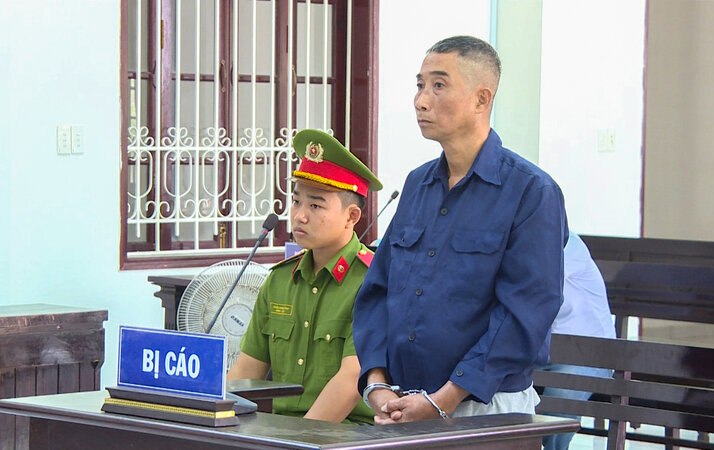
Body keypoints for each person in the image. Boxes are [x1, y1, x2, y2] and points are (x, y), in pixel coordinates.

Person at [352, 35, 568, 424]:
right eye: (419, 85)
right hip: (403, 406)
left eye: (439, 85)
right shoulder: (417, 185)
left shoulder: (531, 192)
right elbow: (377, 292)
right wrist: (377, 381)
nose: (421, 100)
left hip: (485, 410)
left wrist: (446, 398)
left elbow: (526, 314)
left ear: (482, 99)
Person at [228, 129, 382, 424]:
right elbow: (245, 375)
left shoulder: (371, 282)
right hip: (279, 433)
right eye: (297, 201)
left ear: (352, 216)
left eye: (315, 205)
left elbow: (351, 382)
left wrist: (296, 443)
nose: (299, 215)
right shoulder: (280, 281)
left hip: (346, 436)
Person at [541, 231, 616, 450]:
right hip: (543, 350)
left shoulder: (565, 243)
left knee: (563, 390)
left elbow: (536, 287)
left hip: (591, 353)